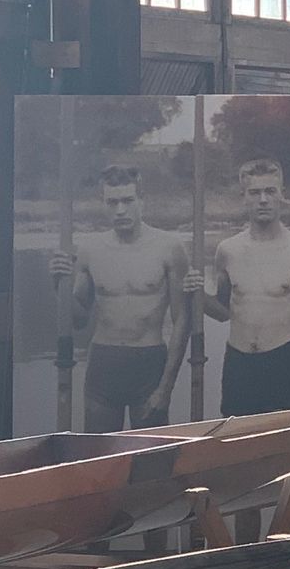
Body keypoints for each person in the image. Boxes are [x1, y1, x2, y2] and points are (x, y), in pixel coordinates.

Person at [182, 159, 290, 416]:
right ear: (244, 197)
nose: (263, 199)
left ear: (281, 195)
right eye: (255, 192)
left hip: (284, 363)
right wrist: (197, 294)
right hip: (239, 365)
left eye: (270, 191)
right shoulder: (228, 251)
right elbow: (223, 311)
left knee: (283, 449)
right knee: (236, 445)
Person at [50, 164, 190, 433]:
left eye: (127, 201)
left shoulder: (169, 247)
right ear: (103, 204)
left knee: (150, 459)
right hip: (104, 360)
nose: (120, 210)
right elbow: (78, 320)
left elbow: (181, 320)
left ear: (142, 201)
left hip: (148, 361)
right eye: (112, 202)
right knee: (99, 458)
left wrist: (166, 387)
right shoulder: (90, 249)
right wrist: (59, 284)